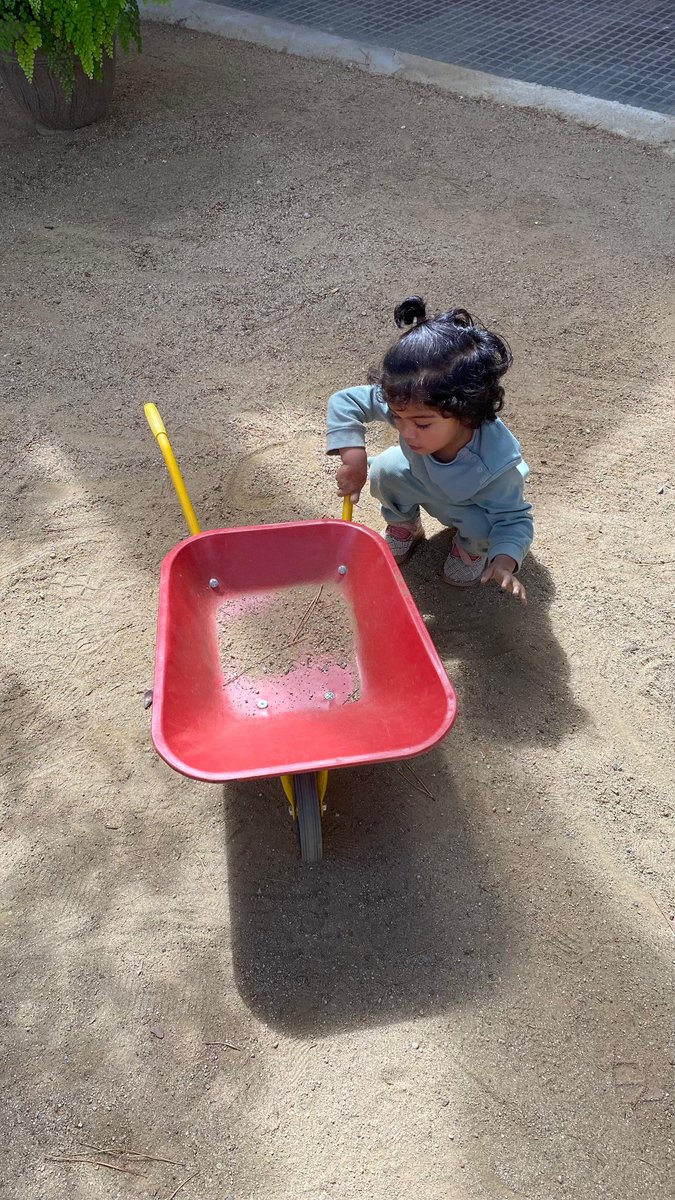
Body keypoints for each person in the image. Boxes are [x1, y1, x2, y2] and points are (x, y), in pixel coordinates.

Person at [326, 297, 533, 604]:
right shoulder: (413, 399)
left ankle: (470, 549)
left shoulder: (495, 465)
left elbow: (514, 519)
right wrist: (353, 454)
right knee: (385, 470)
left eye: (422, 425)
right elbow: (346, 402)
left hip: (468, 504)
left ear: (466, 412)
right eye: (398, 417)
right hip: (419, 476)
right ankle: (404, 526)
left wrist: (505, 560)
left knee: (484, 527)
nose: (406, 431)